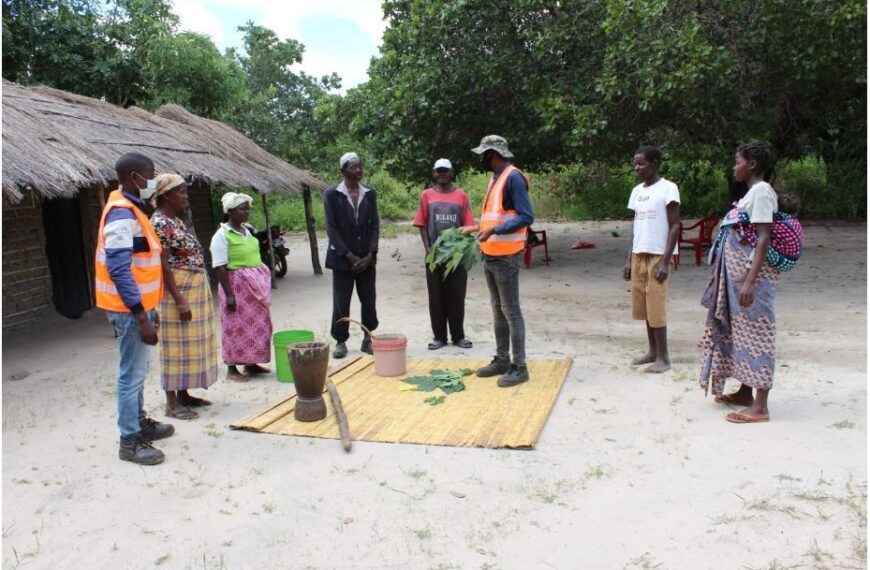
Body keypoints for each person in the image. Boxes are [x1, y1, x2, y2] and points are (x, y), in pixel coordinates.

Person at [95, 152, 174, 465]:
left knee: (138, 371)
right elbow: (118, 268)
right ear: (134, 178)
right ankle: (129, 441)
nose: (152, 181)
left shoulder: (131, 208)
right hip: (130, 310)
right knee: (131, 374)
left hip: (139, 307)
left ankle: (139, 422)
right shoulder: (121, 214)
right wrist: (141, 317)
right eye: (150, 175)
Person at [700, 141, 780, 423]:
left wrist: (749, 281)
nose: (735, 167)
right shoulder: (752, 193)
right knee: (742, 332)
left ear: (753, 164)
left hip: (751, 281)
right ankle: (746, 392)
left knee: (758, 334)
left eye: (738, 162)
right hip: (739, 280)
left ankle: (760, 407)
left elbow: (763, 237)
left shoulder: (761, 192)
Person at [461, 135, 534, 387]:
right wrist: (476, 228)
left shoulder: (512, 177)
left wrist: (494, 231)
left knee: (511, 311)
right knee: (497, 308)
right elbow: (497, 217)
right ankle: (502, 359)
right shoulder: (496, 178)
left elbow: (526, 216)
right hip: (490, 253)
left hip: (507, 255)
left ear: (492, 154)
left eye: (483, 154)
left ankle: (519, 366)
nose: (481, 159)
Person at [150, 173, 219, 420]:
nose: (185, 196)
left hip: (191, 287)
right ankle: (171, 403)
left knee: (190, 342)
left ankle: (184, 394)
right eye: (181, 192)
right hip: (177, 291)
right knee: (175, 344)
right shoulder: (159, 223)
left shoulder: (175, 221)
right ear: (166, 195)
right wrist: (179, 299)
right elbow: (163, 265)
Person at [622, 146, 681, 373]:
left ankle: (664, 358)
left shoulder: (668, 188)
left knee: (656, 305)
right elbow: (636, 227)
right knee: (645, 306)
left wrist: (666, 261)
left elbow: (675, 225)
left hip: (658, 255)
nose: (637, 168)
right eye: (635, 164)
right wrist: (629, 259)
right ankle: (652, 351)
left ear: (655, 163)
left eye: (641, 163)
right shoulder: (637, 191)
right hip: (639, 254)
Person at [209, 192, 273, 382]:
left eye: (247, 209)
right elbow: (220, 266)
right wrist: (229, 295)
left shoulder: (247, 230)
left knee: (257, 324)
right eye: (242, 209)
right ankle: (232, 369)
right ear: (230, 211)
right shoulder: (221, 235)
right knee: (234, 325)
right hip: (236, 286)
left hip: (254, 287)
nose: (247, 212)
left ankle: (251, 363)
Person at [413, 158, 476, 350]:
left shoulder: (461, 196)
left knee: (456, 296)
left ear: (452, 173)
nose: (442, 174)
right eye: (438, 171)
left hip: (457, 257)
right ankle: (439, 337)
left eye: (445, 171)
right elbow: (422, 225)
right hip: (434, 257)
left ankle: (458, 336)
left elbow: (468, 226)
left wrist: (461, 250)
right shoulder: (426, 196)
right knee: (436, 297)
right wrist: (428, 251)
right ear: (434, 173)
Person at [324, 152, 380, 359]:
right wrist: (348, 255)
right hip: (342, 259)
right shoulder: (332, 194)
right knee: (341, 301)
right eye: (352, 167)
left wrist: (370, 254)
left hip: (366, 258)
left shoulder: (369, 194)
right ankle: (340, 341)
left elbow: (375, 225)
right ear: (343, 170)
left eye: (360, 166)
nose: (358, 170)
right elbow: (331, 228)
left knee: (368, 299)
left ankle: (367, 339)